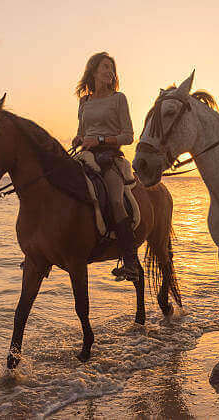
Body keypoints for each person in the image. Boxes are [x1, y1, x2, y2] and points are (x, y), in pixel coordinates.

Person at [72, 52, 140, 279]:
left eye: (112, 68)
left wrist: (100, 140)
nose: (110, 71)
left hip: (110, 156)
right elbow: (82, 132)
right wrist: (79, 139)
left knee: (115, 200)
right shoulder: (84, 102)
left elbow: (128, 136)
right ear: (93, 71)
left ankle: (130, 260)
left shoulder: (118, 99)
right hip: (86, 155)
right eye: (105, 67)